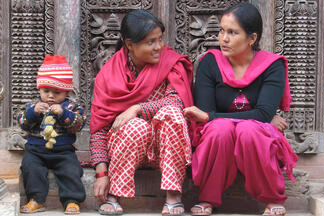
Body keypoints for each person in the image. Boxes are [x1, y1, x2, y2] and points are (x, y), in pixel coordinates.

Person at [183, 2, 298, 216]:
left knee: (249, 131)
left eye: (232, 33)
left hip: (254, 136)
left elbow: (261, 114)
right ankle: (207, 197)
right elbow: (259, 115)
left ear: (252, 39)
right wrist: (259, 117)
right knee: (220, 129)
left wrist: (211, 116)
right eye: (221, 31)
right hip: (220, 135)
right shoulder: (210, 62)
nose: (223, 39)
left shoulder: (272, 65)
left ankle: (272, 199)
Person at [89, 9, 193, 215]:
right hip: (128, 145)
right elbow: (99, 128)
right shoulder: (109, 74)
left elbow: (177, 102)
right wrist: (101, 173)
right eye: (151, 42)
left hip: (164, 149)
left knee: (170, 114)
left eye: (160, 39)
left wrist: (137, 108)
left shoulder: (170, 63)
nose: (159, 47)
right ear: (130, 45)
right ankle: (114, 195)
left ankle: (173, 195)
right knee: (135, 127)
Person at [18, 55, 86, 214]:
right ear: (39, 89)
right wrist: (33, 113)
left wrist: (63, 114)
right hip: (36, 151)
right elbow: (22, 122)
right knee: (30, 167)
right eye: (46, 91)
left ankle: (72, 201)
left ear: (66, 91)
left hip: (63, 152)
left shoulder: (71, 107)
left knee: (71, 170)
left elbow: (78, 124)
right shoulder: (33, 106)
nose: (50, 96)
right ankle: (36, 200)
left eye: (57, 92)